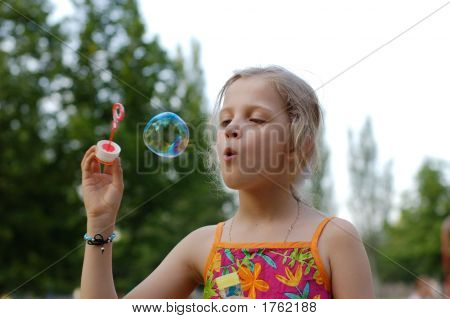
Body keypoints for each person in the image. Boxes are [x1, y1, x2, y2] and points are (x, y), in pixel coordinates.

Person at [80, 66, 374, 299]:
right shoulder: (202, 245)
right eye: (224, 121)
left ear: (300, 146)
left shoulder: (334, 239)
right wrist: (100, 221)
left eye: (256, 119)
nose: (232, 128)